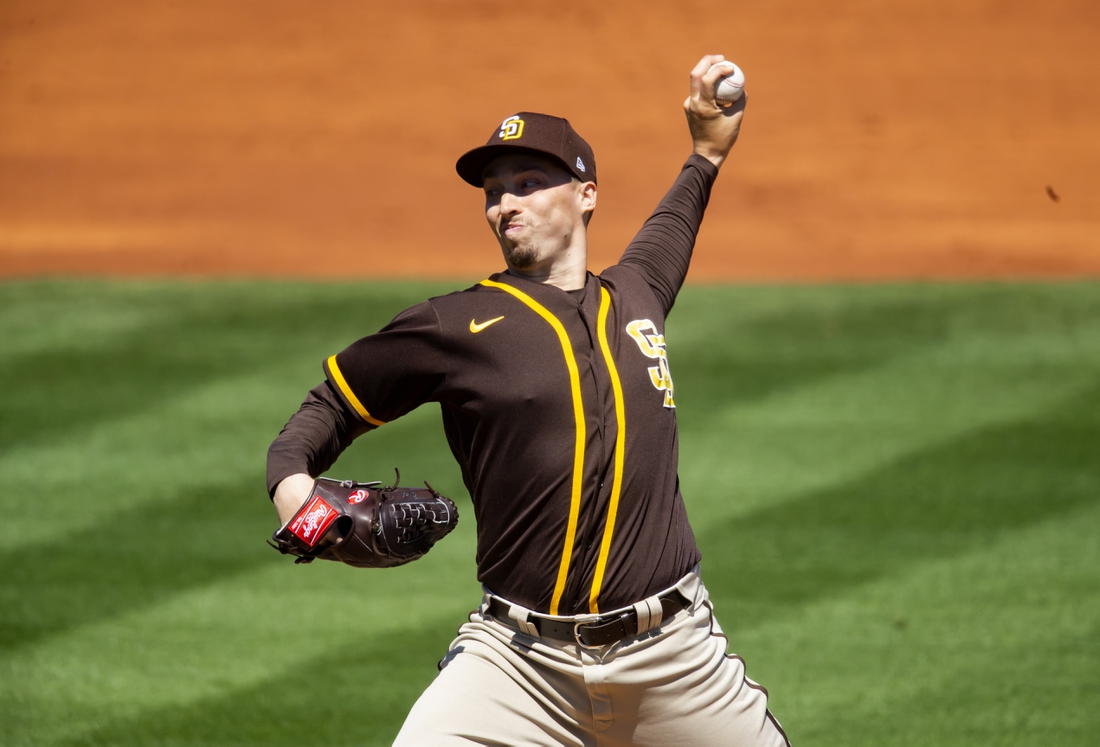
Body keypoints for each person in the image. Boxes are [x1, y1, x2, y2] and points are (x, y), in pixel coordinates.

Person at [267, 54, 790, 746]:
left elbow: (674, 222)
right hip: (517, 665)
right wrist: (297, 501)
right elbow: (327, 407)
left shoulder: (637, 295)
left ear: (586, 194)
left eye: (527, 182)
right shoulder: (454, 324)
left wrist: (706, 151)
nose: (504, 202)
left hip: (675, 658)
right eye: (493, 190)